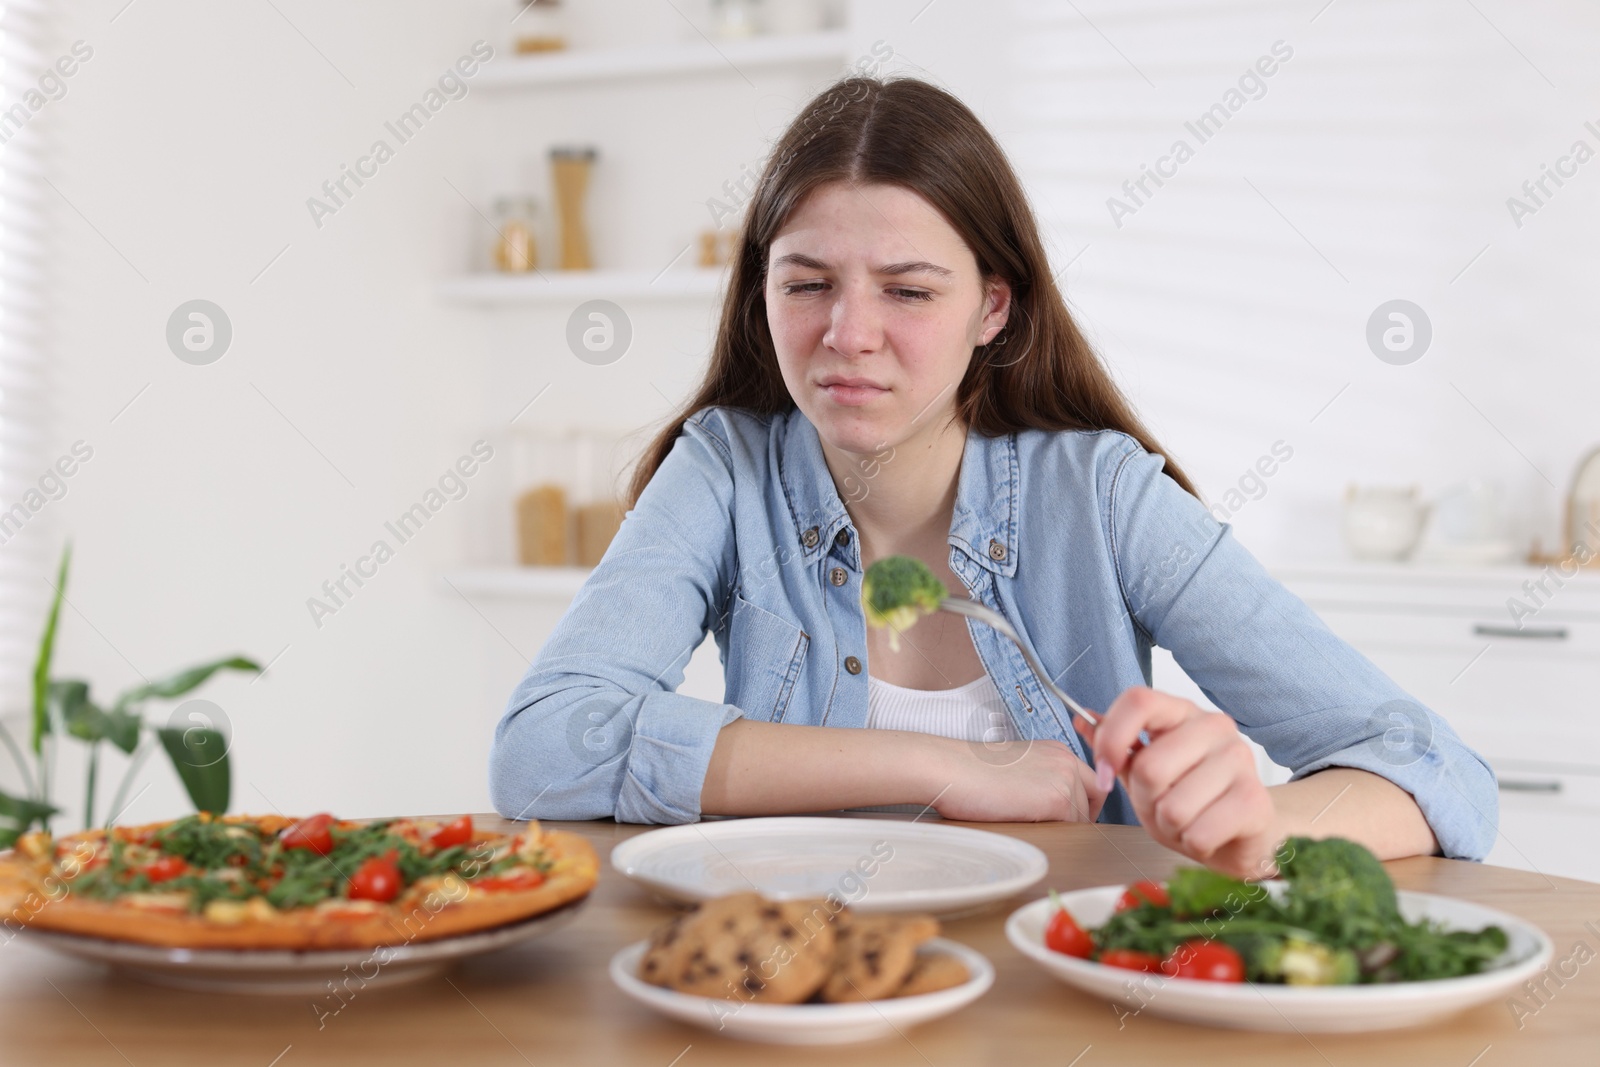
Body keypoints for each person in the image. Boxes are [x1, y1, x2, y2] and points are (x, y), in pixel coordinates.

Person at [488, 76, 1496, 878]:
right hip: (798, 996)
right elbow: (543, 748)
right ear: (761, 296)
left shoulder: (1101, 494)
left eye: (908, 289)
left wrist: (1245, 826)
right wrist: (949, 766)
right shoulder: (723, 470)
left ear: (993, 308)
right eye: (806, 283)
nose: (848, 333)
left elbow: (1435, 770)